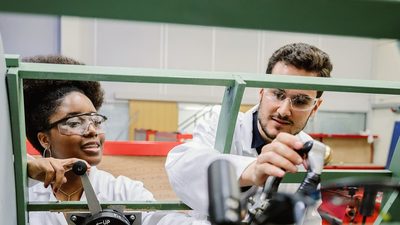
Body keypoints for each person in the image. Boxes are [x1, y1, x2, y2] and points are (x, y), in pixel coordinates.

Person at [165, 43, 333, 224]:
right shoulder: (222, 123)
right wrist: (251, 170)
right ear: (262, 91)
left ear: (315, 107)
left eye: (300, 101)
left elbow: (308, 218)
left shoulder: (306, 151)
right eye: (277, 94)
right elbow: (182, 167)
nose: (284, 110)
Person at [24, 55, 199, 225]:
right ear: (44, 139)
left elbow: (162, 221)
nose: (92, 130)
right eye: (75, 123)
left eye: (96, 121)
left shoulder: (123, 191)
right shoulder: (24, 194)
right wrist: (24, 170)